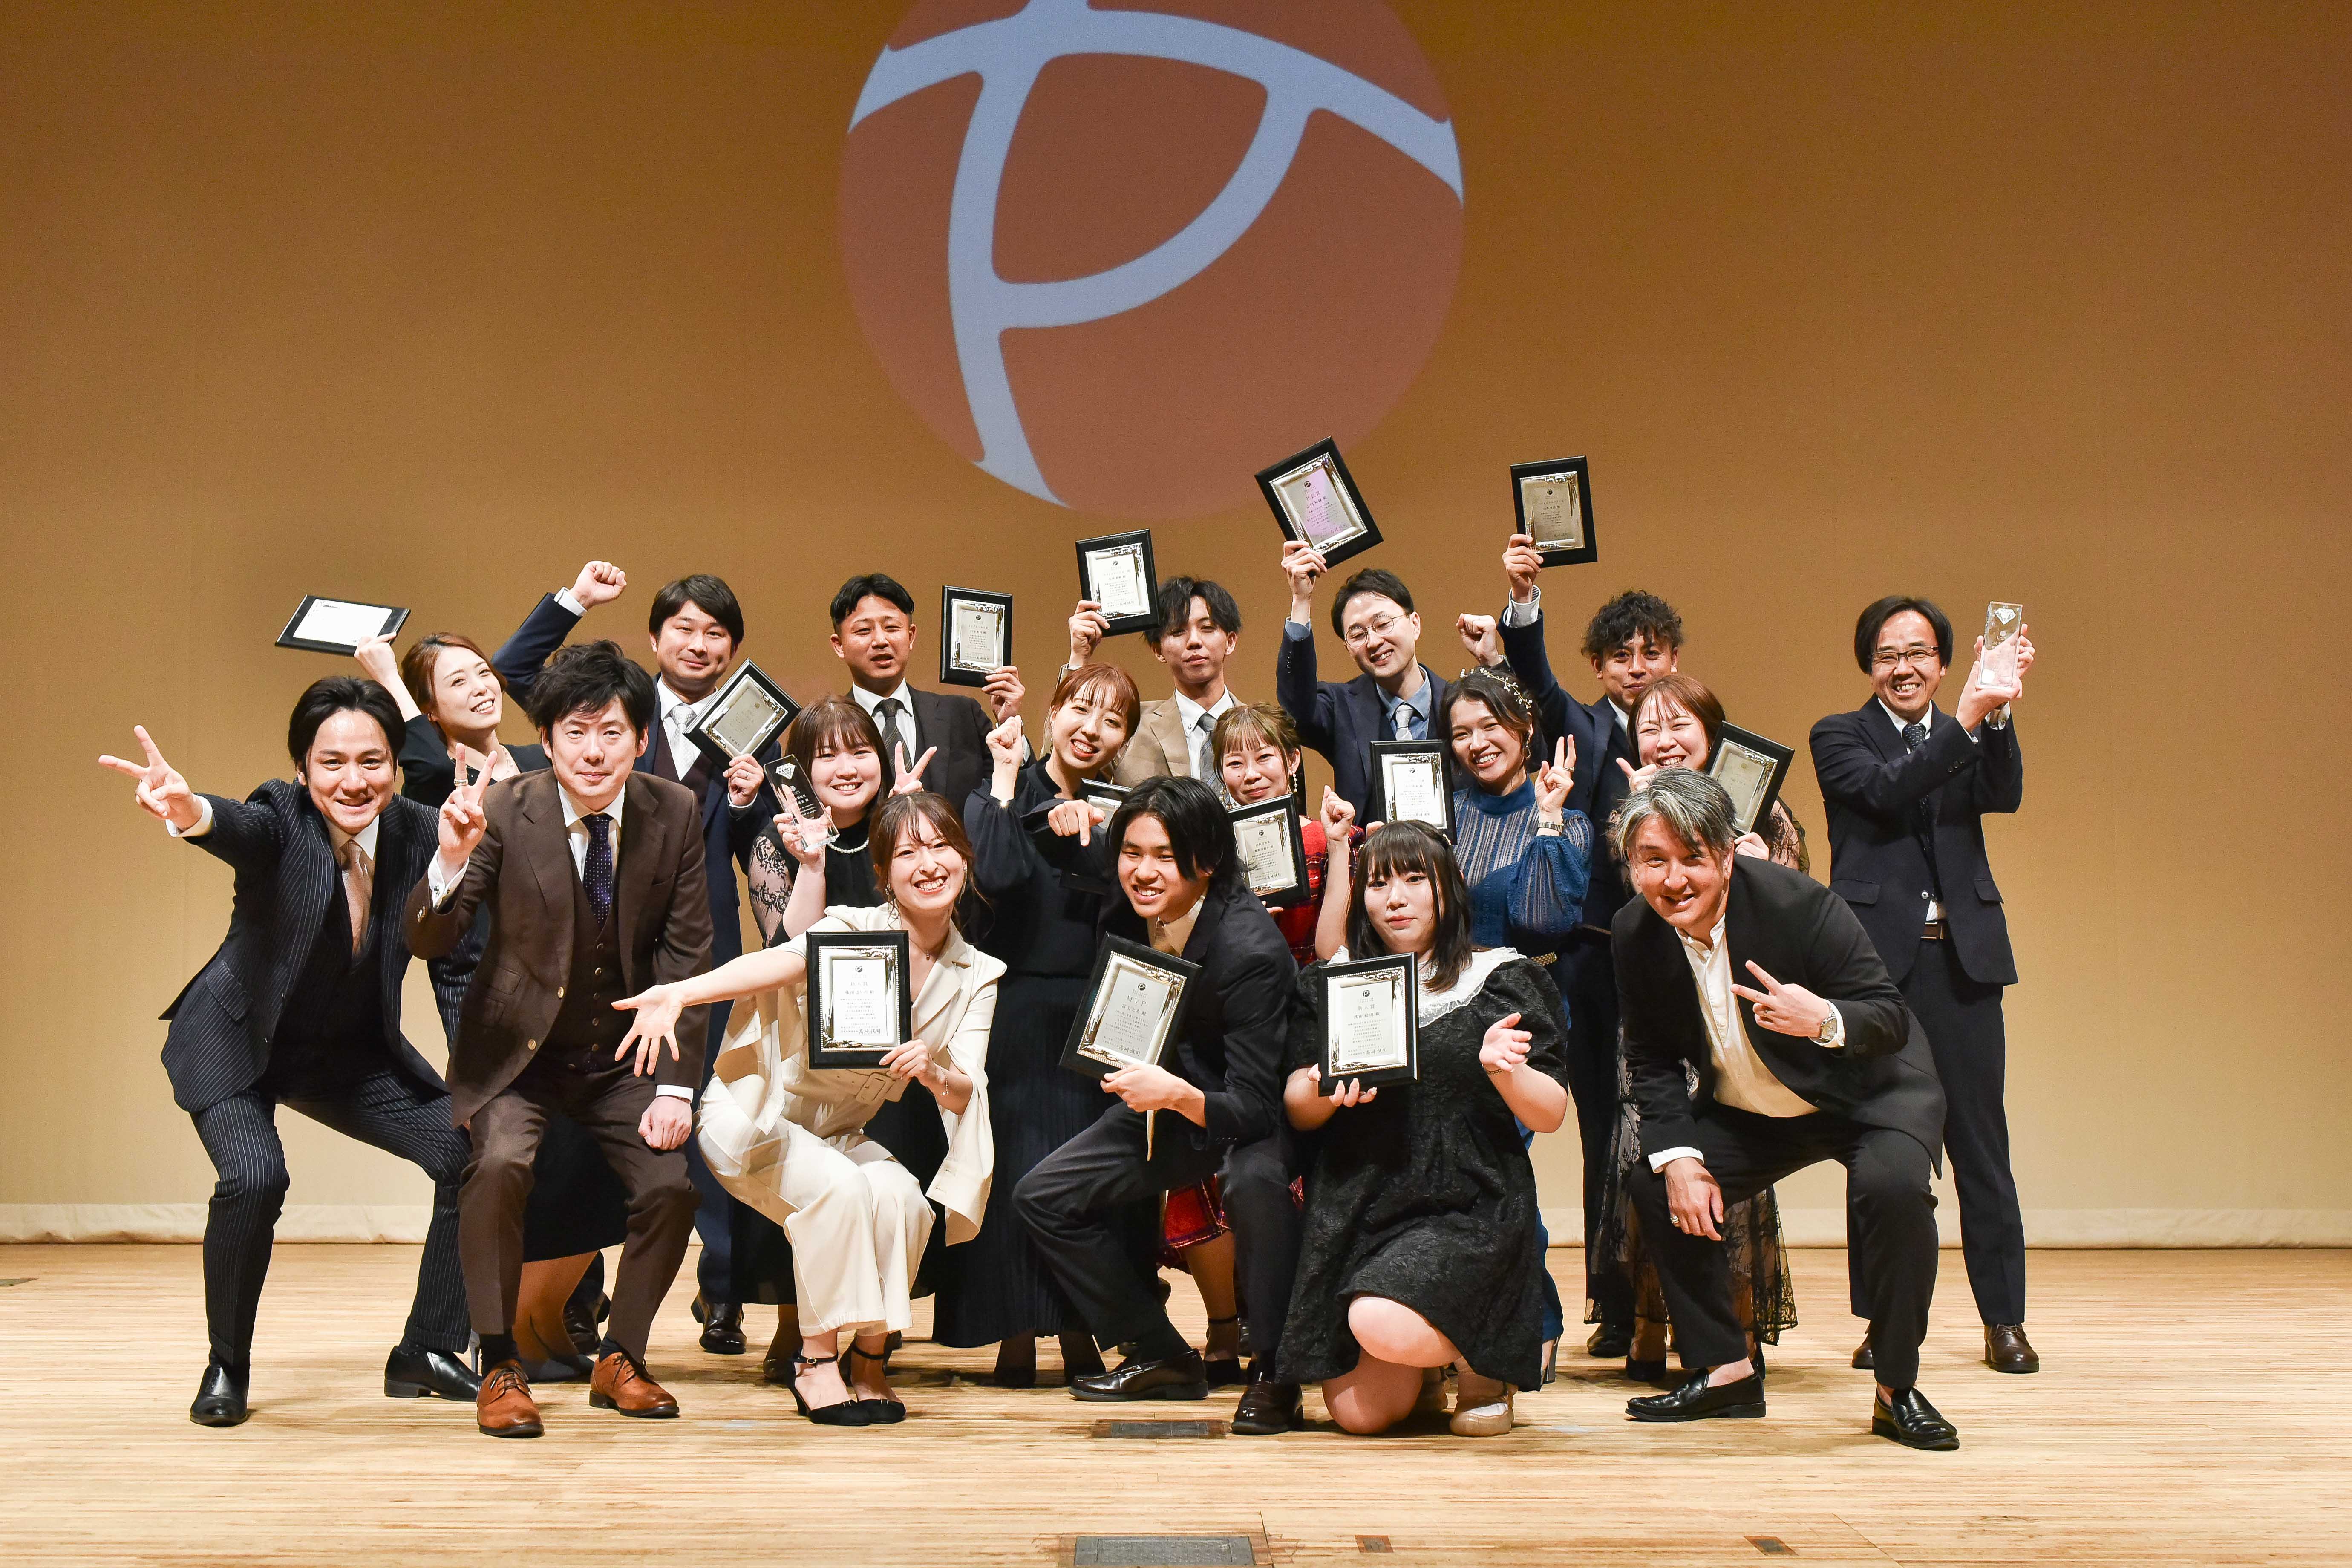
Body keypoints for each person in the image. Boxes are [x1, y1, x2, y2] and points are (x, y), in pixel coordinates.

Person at [98, 682, 478, 1427]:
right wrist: (185, 809)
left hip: (345, 1053)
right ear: (304, 769)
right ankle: (227, 1364)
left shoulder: (426, 830)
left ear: (397, 767)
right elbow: (229, 825)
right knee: (256, 1178)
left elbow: (453, 951)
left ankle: (427, 1349)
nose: (354, 780)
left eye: (372, 761)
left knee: (472, 1155)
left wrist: (474, 1079)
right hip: (236, 1040)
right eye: (331, 762)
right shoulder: (282, 815)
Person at [609, 792, 1003, 1427]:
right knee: (841, 1192)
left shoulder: (976, 971)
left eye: (941, 847)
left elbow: (966, 1089)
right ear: (885, 874)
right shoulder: (852, 930)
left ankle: (869, 1359)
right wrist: (682, 993)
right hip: (755, 1115)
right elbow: (774, 963)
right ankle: (814, 1361)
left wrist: (934, 1072)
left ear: (965, 857)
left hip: (838, 1130)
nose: (928, 864)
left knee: (903, 1198)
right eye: (908, 852)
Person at [405, 640, 711, 1438]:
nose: (594, 751)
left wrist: (675, 1087)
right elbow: (432, 939)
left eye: (612, 732)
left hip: (624, 1057)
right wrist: (448, 861)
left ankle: (622, 1357)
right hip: (519, 1058)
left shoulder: (674, 810)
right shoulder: (506, 808)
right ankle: (499, 1362)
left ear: (641, 738)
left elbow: (687, 955)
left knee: (671, 1187)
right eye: (575, 732)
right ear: (546, 740)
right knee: (499, 1167)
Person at [1612, 771, 1958, 1450]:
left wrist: (1822, 1018)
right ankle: (1728, 1373)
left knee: (1892, 1190)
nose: (1673, 880)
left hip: (1863, 1095)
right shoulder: (1634, 931)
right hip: (1752, 1107)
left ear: (1727, 856)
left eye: (1692, 858)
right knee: (1656, 1184)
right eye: (1653, 860)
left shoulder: (1797, 905)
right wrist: (1679, 1159)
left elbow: (1888, 1015)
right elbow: (1650, 1058)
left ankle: (1897, 1389)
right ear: (1631, 865)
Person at [493, 567, 778, 1357]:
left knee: (694, 1120)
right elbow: (514, 672)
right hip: (589, 953)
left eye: (716, 633)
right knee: (580, 1133)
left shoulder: (754, 726)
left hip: (696, 952)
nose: (699, 644)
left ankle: (721, 1294)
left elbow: (766, 847)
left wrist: (751, 801)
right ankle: (575, 1301)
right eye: (684, 628)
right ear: (656, 638)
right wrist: (575, 601)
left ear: (732, 649)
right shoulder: (605, 711)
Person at [358, 609, 629, 1381]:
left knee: (578, 1148)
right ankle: (497, 1329)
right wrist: (390, 678)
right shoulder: (431, 774)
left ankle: (561, 1312)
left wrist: (571, 602)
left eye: (486, 675)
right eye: (458, 683)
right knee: (511, 1152)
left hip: (567, 984)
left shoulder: (534, 758)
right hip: (482, 985)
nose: (481, 687)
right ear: (428, 708)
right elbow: (419, 750)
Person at [1013, 777, 1303, 1438]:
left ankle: (1275, 1374)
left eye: (1165, 857)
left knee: (1252, 1181)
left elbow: (1257, 1107)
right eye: (1132, 853)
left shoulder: (1249, 950)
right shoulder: (1131, 896)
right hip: (1166, 1094)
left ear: (1207, 861)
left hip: (1248, 1108)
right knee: (1043, 1197)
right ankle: (1160, 1353)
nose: (1143, 872)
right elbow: (1041, 837)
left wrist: (1176, 1094)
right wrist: (1057, 811)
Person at [1279, 823, 1570, 1437]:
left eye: (1415, 879)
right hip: (1362, 1201)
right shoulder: (1337, 982)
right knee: (1361, 1415)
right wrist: (1324, 1089)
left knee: (1379, 1321)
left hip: (1467, 1201)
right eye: (1378, 883)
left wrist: (1507, 1072)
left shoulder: (1498, 977)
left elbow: (1550, 1113)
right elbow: (1298, 1107)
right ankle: (1428, 1362)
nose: (1396, 898)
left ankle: (1482, 1368)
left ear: (1448, 887)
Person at [1811, 597, 2038, 1375]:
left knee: (1982, 1147)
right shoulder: (1839, 735)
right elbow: (1886, 791)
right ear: (1868, 665)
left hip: (1964, 963)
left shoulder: (1969, 729)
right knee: (1884, 1148)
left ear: (1944, 663)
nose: (1902, 667)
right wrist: (1967, 716)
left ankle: (2004, 1319)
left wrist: (1997, 711)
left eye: (1917, 653)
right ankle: (1885, 1322)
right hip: (1877, 971)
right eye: (1887, 654)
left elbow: (2003, 792)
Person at [1487, 542, 1686, 1355]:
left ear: (1674, 660)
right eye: (1620, 656)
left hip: (1678, 957)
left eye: (1651, 653)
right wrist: (1522, 599)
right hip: (1594, 958)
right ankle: (1615, 1303)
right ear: (1599, 667)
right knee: (1604, 1126)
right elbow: (1533, 676)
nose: (1637, 668)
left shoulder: (1692, 735)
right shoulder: (1580, 725)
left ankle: (1679, 1300)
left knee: (1672, 1124)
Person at [1591, 674, 1801, 1380]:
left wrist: (1759, 868)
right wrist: (1642, 813)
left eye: (1679, 724)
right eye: (1649, 727)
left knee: (1726, 1172)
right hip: (1659, 1014)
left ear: (1712, 733)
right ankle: (1649, 1326)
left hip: (1733, 1018)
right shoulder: (1631, 807)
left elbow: (1796, 898)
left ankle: (1732, 1331)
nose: (1665, 739)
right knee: (1649, 1164)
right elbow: (1629, 902)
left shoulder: (1762, 806)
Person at [934, 663, 1139, 1386]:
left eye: (1112, 720)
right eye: (1081, 709)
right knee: (1014, 1167)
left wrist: (1103, 834)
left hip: (1097, 1011)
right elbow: (992, 873)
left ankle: (1084, 1332)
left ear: (1124, 739)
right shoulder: (1001, 790)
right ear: (1052, 714)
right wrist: (1009, 780)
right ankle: (1013, 1335)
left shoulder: (1124, 812)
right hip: (1014, 1006)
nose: (1092, 728)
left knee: (1087, 1179)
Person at [1434, 668, 1593, 1378]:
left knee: (1495, 1165)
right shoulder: (1441, 812)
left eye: (1490, 726)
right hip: (1447, 1007)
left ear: (1525, 729)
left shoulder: (1568, 820)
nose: (1476, 743)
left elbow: (1543, 919)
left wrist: (1549, 816)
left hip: (1521, 1012)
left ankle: (1539, 1321)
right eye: (1461, 732)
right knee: (1460, 1172)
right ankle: (1483, 1320)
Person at [1273, 544, 1453, 816]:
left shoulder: (1458, 704)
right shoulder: (1339, 708)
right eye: (1358, 635)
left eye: (1383, 624)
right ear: (1348, 648)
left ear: (1415, 624)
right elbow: (1297, 709)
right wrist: (1301, 601)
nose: (1374, 642)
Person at [831, 572, 1024, 821]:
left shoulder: (963, 716)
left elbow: (1017, 804)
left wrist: (1009, 724)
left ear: (911, 636)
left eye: (892, 628)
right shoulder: (825, 731)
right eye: (864, 631)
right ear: (839, 645)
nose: (880, 641)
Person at [1061, 575, 1243, 788]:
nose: (1194, 641)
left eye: (1208, 628)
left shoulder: (1265, 729)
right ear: (1158, 650)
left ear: (1230, 642)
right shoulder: (1128, 726)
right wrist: (1079, 658)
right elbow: (1058, 769)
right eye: (1178, 631)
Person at [1212, 702, 1356, 968]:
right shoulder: (1212, 852)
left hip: (1316, 985)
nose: (1251, 775)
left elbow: (1334, 953)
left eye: (1264, 757)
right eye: (1235, 763)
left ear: (1292, 761)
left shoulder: (1329, 839)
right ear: (1221, 772)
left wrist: (1337, 845)